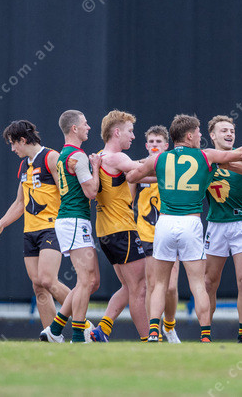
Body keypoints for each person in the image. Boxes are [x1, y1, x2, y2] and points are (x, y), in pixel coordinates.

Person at [127, 114, 242, 342]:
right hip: (190, 223)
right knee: (199, 284)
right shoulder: (205, 155)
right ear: (190, 135)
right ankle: (205, 335)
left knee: (159, 283)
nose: (201, 136)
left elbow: (132, 176)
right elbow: (240, 153)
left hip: (165, 222)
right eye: (199, 132)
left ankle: (153, 331)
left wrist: (157, 174)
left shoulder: (160, 158)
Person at [0, 120, 71, 330]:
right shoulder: (25, 165)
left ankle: (84, 323)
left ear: (23, 140)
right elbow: (20, 202)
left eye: (13, 143)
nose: (12, 149)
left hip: (51, 228)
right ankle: (53, 336)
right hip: (30, 231)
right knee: (38, 285)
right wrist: (2, 223)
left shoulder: (51, 157)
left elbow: (66, 193)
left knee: (48, 279)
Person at [40, 110, 101, 343]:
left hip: (72, 220)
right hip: (74, 219)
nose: (89, 127)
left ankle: (55, 330)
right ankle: (77, 335)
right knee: (86, 280)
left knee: (92, 281)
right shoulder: (78, 156)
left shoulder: (63, 154)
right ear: (74, 128)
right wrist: (96, 167)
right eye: (85, 124)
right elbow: (91, 191)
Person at [88, 110, 148, 342]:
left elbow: (141, 176)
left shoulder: (101, 157)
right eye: (130, 131)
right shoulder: (117, 157)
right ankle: (150, 340)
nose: (133, 136)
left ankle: (102, 329)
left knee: (128, 286)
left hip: (105, 232)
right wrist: (167, 164)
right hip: (122, 230)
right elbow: (141, 171)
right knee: (139, 288)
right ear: (116, 132)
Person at [202, 116, 242, 343]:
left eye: (232, 130)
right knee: (209, 282)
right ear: (212, 135)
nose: (229, 134)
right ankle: (205, 334)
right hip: (216, 225)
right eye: (224, 130)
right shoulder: (205, 158)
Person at [135, 125, 181, 343]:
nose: (154, 145)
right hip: (146, 232)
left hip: (171, 230)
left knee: (170, 287)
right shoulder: (139, 167)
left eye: (158, 142)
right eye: (151, 142)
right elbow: (129, 197)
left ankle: (169, 326)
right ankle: (152, 333)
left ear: (166, 145)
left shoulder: (173, 165)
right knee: (152, 285)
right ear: (146, 145)